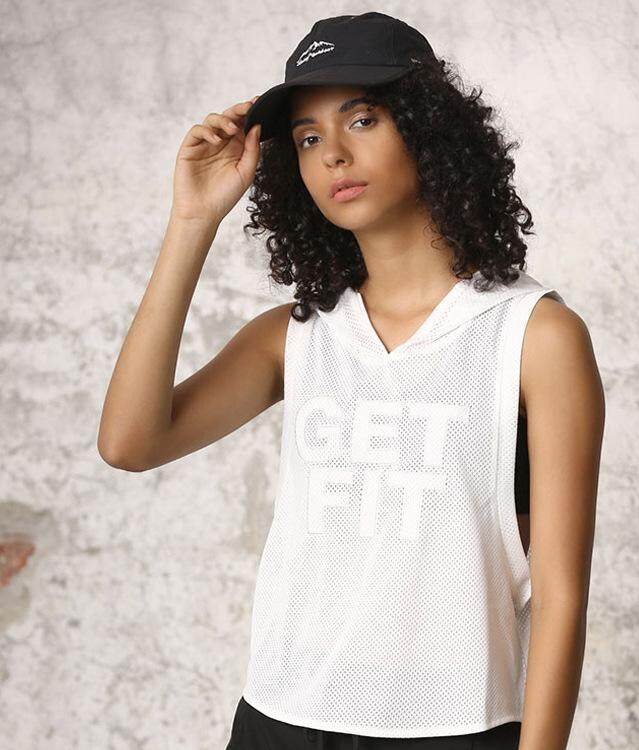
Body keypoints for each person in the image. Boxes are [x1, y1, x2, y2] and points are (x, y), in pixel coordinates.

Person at [97, 11, 605, 750]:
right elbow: (129, 442)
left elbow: (560, 596)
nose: (333, 153)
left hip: (454, 724)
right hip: (279, 719)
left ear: (429, 131)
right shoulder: (294, 336)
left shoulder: (535, 336)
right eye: (307, 137)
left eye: (362, 119)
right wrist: (192, 220)